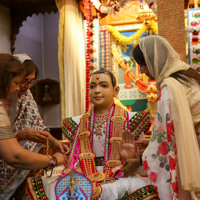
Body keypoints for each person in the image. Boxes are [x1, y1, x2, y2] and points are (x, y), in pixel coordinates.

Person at [26, 69, 159, 200]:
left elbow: (142, 165)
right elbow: (73, 160)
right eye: (92, 86)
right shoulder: (75, 123)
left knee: (143, 187)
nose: (97, 90)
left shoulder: (133, 120)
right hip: (83, 175)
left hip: (120, 175)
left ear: (116, 91)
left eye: (104, 85)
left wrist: (131, 157)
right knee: (50, 187)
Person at [131, 35, 200, 199]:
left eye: (142, 64)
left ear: (154, 61)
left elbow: (162, 140)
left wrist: (140, 160)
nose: (141, 70)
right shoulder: (187, 74)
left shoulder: (170, 86)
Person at [0, 53, 67, 200]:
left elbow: (37, 124)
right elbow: (14, 154)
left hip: (20, 165)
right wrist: (52, 160)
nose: (21, 87)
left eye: (31, 82)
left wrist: (55, 143)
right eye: (19, 82)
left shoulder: (25, 95)